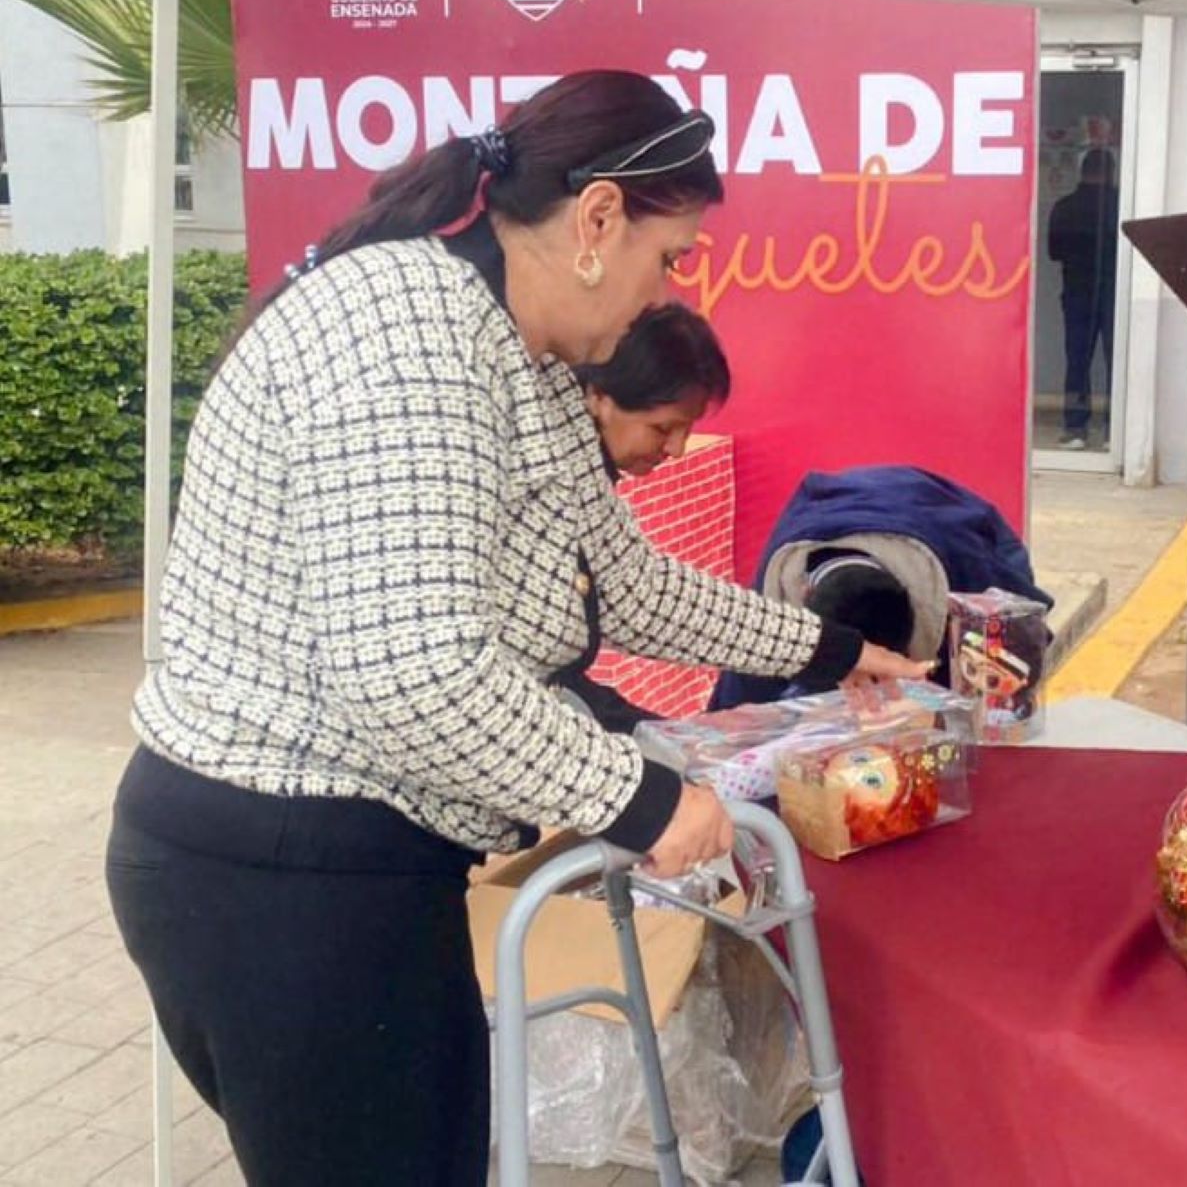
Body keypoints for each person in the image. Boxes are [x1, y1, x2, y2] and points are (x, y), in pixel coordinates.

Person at [104, 71, 926, 1186]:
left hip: (352, 865)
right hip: (277, 871)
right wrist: (643, 799)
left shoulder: (522, 354)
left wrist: (833, 649)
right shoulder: (406, 334)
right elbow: (413, 670)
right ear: (597, 220)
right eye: (671, 254)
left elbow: (623, 583)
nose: (668, 289)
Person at [709, 464, 1052, 710]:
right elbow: (734, 715)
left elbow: (1027, 645)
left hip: (937, 521)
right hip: (841, 515)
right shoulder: (777, 592)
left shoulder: (971, 575)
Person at [551, 299, 736, 732]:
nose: (675, 450)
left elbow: (645, 595)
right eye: (662, 429)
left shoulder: (587, 473)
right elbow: (640, 599)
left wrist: (826, 649)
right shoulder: (554, 478)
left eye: (685, 431)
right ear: (599, 396)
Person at [1047, 146, 1119, 448]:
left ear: (1082, 172)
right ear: (1112, 173)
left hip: (1077, 289)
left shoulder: (1065, 206)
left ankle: (1076, 428)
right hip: (1114, 290)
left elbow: (1054, 252)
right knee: (1117, 359)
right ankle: (1114, 432)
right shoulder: (1122, 205)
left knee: (1077, 359)